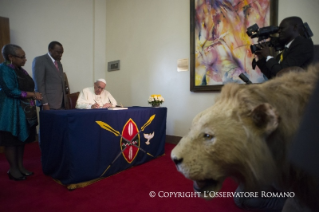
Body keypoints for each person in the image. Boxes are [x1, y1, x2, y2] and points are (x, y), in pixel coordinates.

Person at [0, 44, 42, 181]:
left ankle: (20, 166)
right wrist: (32, 94)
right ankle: (13, 169)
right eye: (22, 57)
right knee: (12, 140)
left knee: (21, 139)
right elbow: (10, 90)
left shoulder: (20, 70)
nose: (25, 59)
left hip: (23, 109)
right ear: (11, 57)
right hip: (11, 110)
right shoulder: (4, 68)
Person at [32, 41, 66, 110]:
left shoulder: (59, 63)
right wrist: (44, 103)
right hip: (49, 103)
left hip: (60, 102)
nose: (60, 55)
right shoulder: (40, 60)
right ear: (50, 49)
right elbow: (39, 83)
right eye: (58, 52)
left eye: (61, 53)